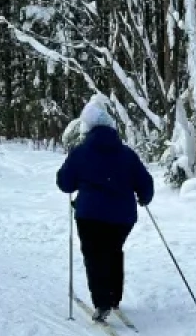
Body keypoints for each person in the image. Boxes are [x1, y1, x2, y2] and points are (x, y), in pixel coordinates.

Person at [57, 97, 155, 322]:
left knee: (94, 256)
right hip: (122, 217)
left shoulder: (80, 152)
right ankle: (113, 298)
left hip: (90, 215)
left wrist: (71, 179)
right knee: (113, 251)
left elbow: (65, 184)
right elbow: (145, 182)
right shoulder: (126, 154)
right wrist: (144, 197)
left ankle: (102, 303)